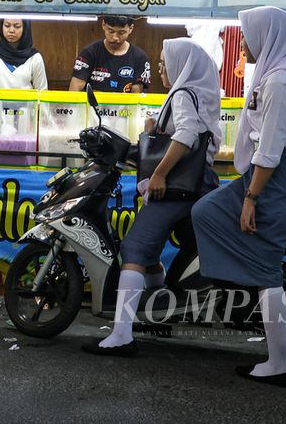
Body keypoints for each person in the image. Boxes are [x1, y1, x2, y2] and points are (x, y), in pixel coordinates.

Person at [191, 6, 286, 388]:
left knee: (268, 266)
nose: (245, 44)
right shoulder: (275, 76)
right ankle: (241, 285)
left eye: (250, 36)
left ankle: (278, 364)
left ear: (270, 38)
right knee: (207, 211)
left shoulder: (281, 81)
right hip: (269, 174)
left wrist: (251, 197)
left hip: (278, 176)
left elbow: (272, 147)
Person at [85, 38, 222, 356]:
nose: (161, 69)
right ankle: (155, 315)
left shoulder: (184, 94)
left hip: (177, 186)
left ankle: (121, 335)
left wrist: (159, 173)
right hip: (196, 183)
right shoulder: (194, 92)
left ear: (182, 66)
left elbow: (188, 134)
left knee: (135, 248)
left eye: (164, 63)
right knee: (149, 253)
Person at [69, 15, 151, 93]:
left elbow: (136, 96)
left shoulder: (140, 58)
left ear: (131, 28)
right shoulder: (89, 53)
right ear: (103, 25)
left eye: (121, 33)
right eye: (111, 31)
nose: (115, 38)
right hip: (93, 106)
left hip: (125, 107)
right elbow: (75, 88)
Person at [0, 18, 48, 90]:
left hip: (25, 101)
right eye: (7, 26)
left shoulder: (35, 58)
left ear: (25, 28)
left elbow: (42, 92)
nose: (11, 30)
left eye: (17, 26)